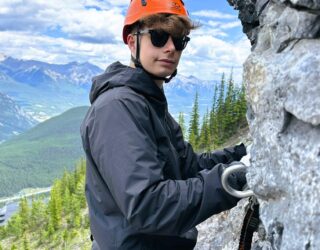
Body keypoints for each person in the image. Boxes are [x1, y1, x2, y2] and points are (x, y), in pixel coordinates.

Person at [80, 0, 248, 249]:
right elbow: (148, 205)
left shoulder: (147, 102)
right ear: (132, 41)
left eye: (179, 40)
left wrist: (243, 155)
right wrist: (234, 179)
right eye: (158, 37)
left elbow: (188, 167)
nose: (171, 48)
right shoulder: (117, 108)